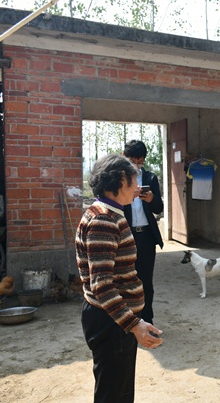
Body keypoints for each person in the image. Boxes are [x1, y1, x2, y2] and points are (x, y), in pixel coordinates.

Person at [76, 154, 163, 403]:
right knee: (112, 395)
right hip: (110, 321)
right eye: (134, 179)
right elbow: (102, 285)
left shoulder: (112, 213)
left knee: (120, 392)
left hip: (116, 319)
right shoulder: (104, 219)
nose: (138, 186)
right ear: (122, 180)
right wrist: (134, 324)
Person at [123, 140, 164, 325]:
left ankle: (147, 319)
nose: (137, 166)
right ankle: (129, 320)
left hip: (146, 236)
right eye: (133, 161)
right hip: (126, 235)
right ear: (125, 158)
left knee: (146, 281)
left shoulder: (150, 178)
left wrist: (151, 199)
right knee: (126, 280)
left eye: (140, 162)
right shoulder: (118, 179)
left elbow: (158, 208)